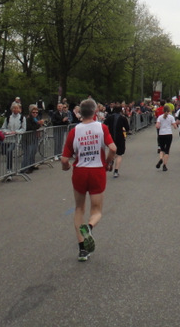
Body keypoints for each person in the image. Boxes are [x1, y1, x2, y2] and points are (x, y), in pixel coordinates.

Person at [61, 98, 117, 261]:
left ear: (80, 112)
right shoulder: (102, 128)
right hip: (97, 170)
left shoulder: (74, 131)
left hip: (80, 171)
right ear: (95, 112)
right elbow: (113, 148)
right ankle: (90, 227)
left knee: (79, 208)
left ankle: (82, 250)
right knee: (97, 210)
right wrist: (108, 162)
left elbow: (65, 160)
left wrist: (66, 168)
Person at [104, 105, 128, 178]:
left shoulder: (110, 117)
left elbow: (104, 125)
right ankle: (116, 171)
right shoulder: (123, 118)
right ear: (121, 110)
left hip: (111, 137)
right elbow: (127, 128)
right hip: (120, 137)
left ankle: (111, 160)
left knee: (112, 150)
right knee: (119, 154)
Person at [155, 105, 176, 172]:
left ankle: (161, 158)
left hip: (161, 134)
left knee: (162, 149)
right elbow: (175, 126)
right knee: (167, 150)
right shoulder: (171, 117)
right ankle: (164, 165)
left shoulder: (160, 117)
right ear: (169, 110)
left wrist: (161, 126)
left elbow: (157, 126)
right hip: (169, 134)